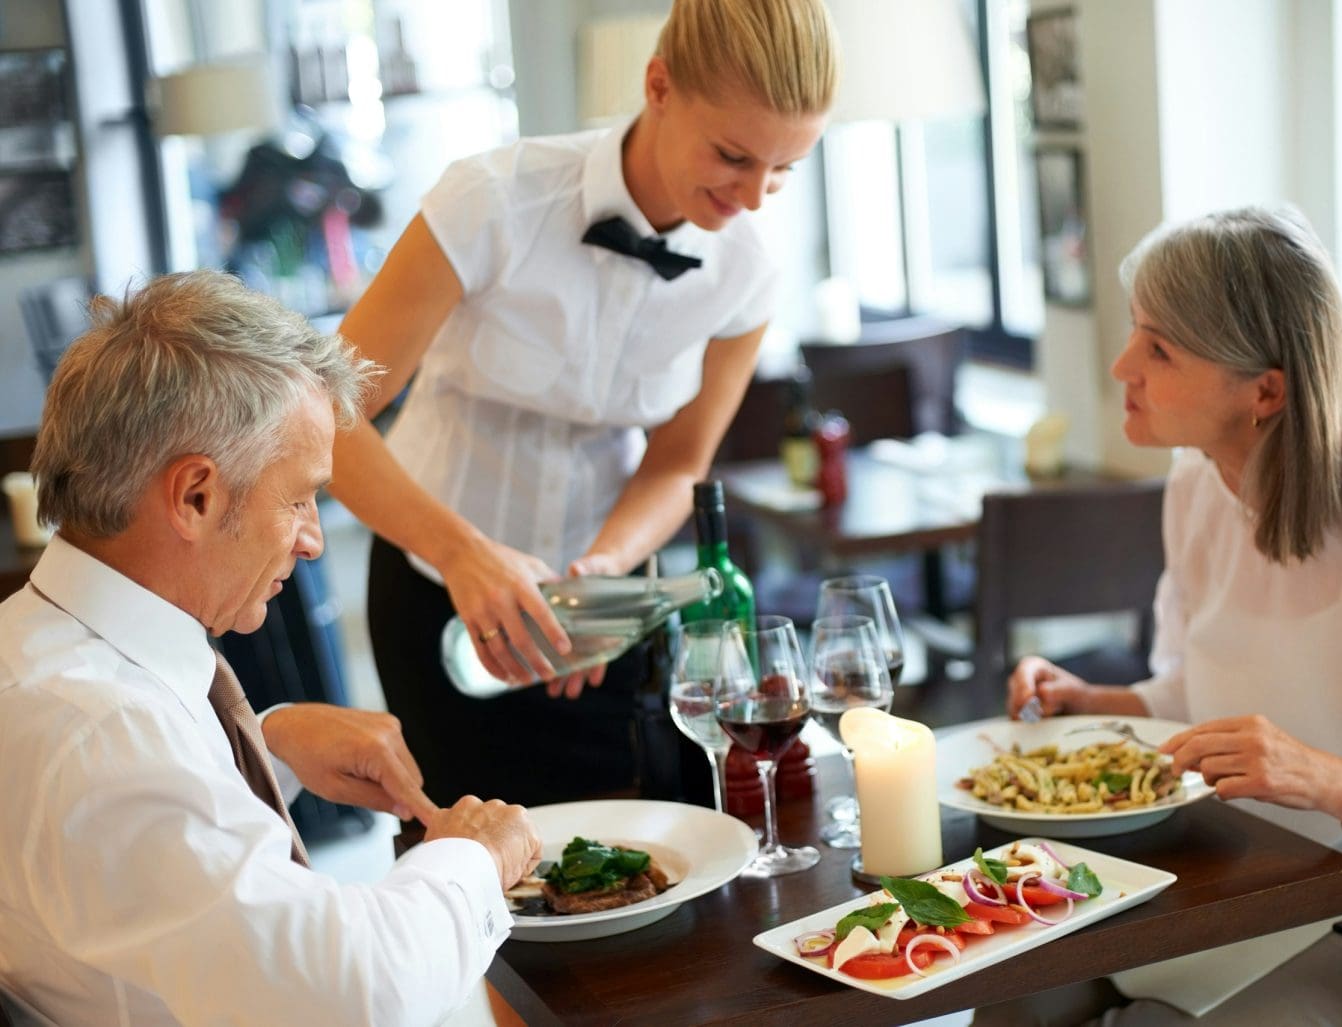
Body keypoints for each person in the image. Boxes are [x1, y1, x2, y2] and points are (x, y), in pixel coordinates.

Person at [1001, 207, 1342, 1026]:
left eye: (1159, 348)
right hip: (1259, 884)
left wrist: (1331, 780)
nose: (1121, 366)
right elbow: (1205, 685)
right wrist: (1099, 701)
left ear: (1264, 390)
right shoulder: (1195, 481)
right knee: (1017, 994)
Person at [328, 0, 839, 808]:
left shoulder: (746, 271)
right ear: (659, 85)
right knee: (472, 869)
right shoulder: (490, 201)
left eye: (783, 168)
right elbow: (325, 413)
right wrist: (463, 553)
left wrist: (604, 572)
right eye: (734, 156)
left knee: (633, 857)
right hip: (436, 590)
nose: (755, 196)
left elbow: (677, 465)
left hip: (603, 615)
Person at [0, 271, 543, 1026]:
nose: (314, 539)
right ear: (195, 496)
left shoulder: (34, 647)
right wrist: (478, 857)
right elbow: (359, 991)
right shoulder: (104, 734)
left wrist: (266, 745)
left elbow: (152, 860)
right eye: (298, 497)